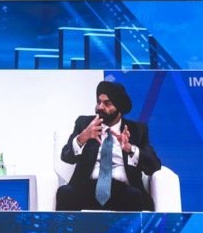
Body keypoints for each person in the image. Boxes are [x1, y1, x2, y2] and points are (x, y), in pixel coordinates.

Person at [55, 80, 161, 211]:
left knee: (134, 195)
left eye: (107, 103)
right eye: (98, 102)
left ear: (119, 106)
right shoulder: (85, 124)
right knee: (65, 193)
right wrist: (83, 137)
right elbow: (66, 157)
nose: (100, 107)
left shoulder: (137, 130)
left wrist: (130, 149)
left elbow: (154, 166)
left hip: (124, 191)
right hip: (87, 188)